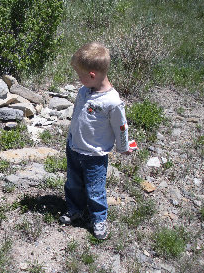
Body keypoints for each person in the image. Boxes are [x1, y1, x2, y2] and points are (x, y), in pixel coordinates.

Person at [59, 42, 133, 239]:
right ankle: (75, 209)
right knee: (73, 183)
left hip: (95, 155)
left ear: (92, 75)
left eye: (80, 76)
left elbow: (121, 126)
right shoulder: (84, 91)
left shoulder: (112, 102)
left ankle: (98, 218)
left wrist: (123, 146)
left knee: (95, 189)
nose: (78, 79)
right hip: (74, 147)